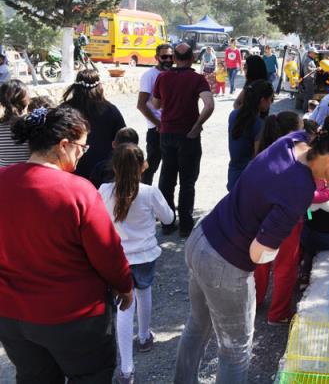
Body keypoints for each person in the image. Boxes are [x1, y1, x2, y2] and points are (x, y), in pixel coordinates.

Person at [174, 117, 329, 383]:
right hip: (224, 264)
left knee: (197, 325)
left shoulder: (295, 141)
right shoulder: (299, 191)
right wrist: (276, 242)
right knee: (236, 350)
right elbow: (258, 254)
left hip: (202, 237)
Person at [0, 106, 133, 383]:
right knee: (90, 376)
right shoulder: (77, 191)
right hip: (74, 318)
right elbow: (107, 253)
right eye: (81, 147)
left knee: (34, 377)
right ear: (63, 145)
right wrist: (125, 286)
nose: (82, 154)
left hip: (12, 314)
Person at [99, 143, 174, 384]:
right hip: (143, 255)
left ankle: (127, 369)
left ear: (114, 167)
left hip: (116, 258)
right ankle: (143, 337)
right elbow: (169, 218)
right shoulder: (149, 192)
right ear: (143, 166)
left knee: (123, 306)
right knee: (144, 292)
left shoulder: (104, 190)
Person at [153, 42, 215, 237]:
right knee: (187, 181)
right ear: (192, 58)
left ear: (175, 59)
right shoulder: (198, 79)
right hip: (188, 136)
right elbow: (209, 105)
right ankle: (186, 225)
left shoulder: (163, 78)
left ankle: (167, 222)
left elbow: (156, 103)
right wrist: (196, 126)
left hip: (167, 133)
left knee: (167, 178)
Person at [252, 111, 305, 322]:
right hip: (287, 219)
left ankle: (254, 302)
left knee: (261, 261)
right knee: (285, 265)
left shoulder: (263, 152)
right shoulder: (295, 158)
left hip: (262, 215)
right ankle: (278, 313)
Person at [62, 69, 126, 180]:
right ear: (99, 87)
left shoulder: (64, 110)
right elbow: (123, 138)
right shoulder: (110, 110)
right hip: (104, 172)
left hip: (70, 169)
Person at [137, 43, 173, 185]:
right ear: (156, 57)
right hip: (156, 130)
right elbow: (141, 104)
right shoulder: (149, 75)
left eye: (171, 57)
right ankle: (144, 196)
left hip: (171, 129)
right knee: (151, 167)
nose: (168, 60)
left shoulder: (173, 74)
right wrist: (158, 124)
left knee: (169, 168)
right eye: (164, 57)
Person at [228, 80, 274, 191]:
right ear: (263, 100)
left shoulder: (234, 115)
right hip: (247, 178)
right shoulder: (258, 124)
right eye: (271, 99)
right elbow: (258, 158)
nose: (271, 103)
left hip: (233, 174)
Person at [0, 80, 30, 167]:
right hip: (28, 175)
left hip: (4, 176)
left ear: (2, 102)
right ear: (27, 101)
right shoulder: (36, 125)